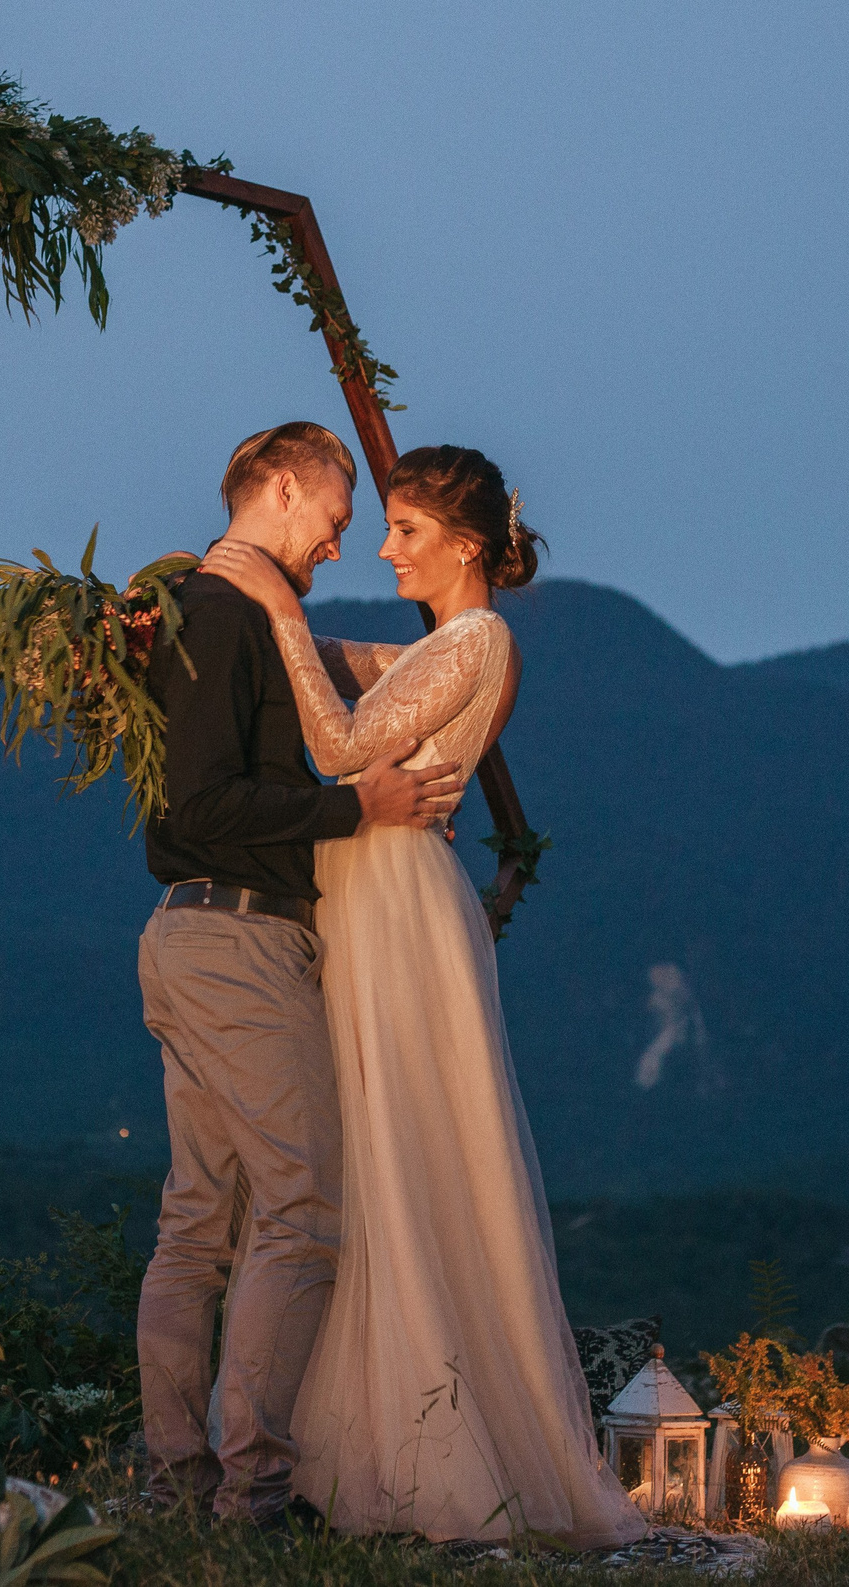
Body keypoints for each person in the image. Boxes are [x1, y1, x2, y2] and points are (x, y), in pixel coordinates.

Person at [201, 445, 646, 1548]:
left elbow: (339, 742)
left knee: (398, 1152)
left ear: (460, 544)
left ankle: (423, 1451)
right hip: (373, 895)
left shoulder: (481, 638)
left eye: (403, 530)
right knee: (367, 1152)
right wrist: (254, 616)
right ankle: (362, 1439)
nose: (384, 547)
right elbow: (371, 674)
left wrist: (277, 610)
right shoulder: (444, 646)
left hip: (396, 905)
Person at [134, 421, 467, 1526]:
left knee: (199, 1219)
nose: (336, 548)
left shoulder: (209, 613)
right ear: (282, 490)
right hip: (238, 942)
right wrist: (351, 808)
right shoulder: (224, 615)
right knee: (302, 1207)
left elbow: (355, 688)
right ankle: (254, 1488)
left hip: (188, 938)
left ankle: (180, 1480)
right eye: (332, 521)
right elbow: (201, 804)